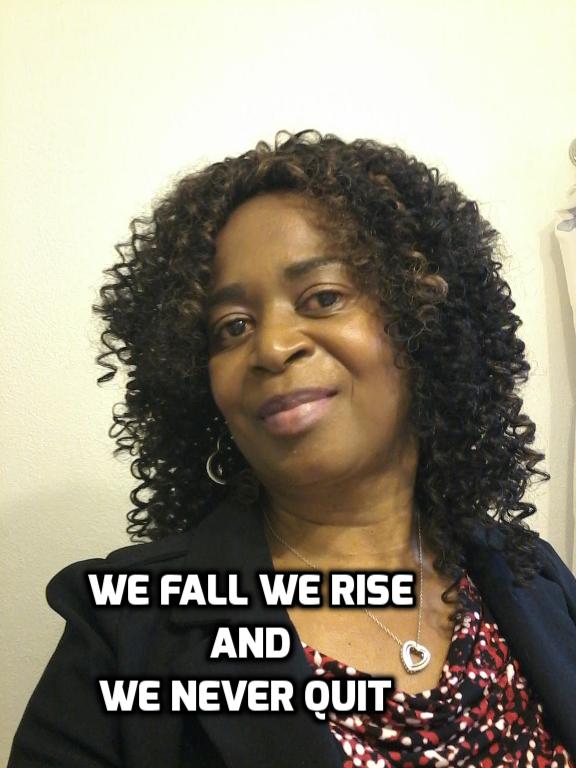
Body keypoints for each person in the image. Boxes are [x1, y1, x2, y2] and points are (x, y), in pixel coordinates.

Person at [9, 130, 576, 767]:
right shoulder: (124, 628)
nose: (273, 347)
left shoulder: (535, 580)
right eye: (232, 327)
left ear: (424, 321)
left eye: (323, 298)